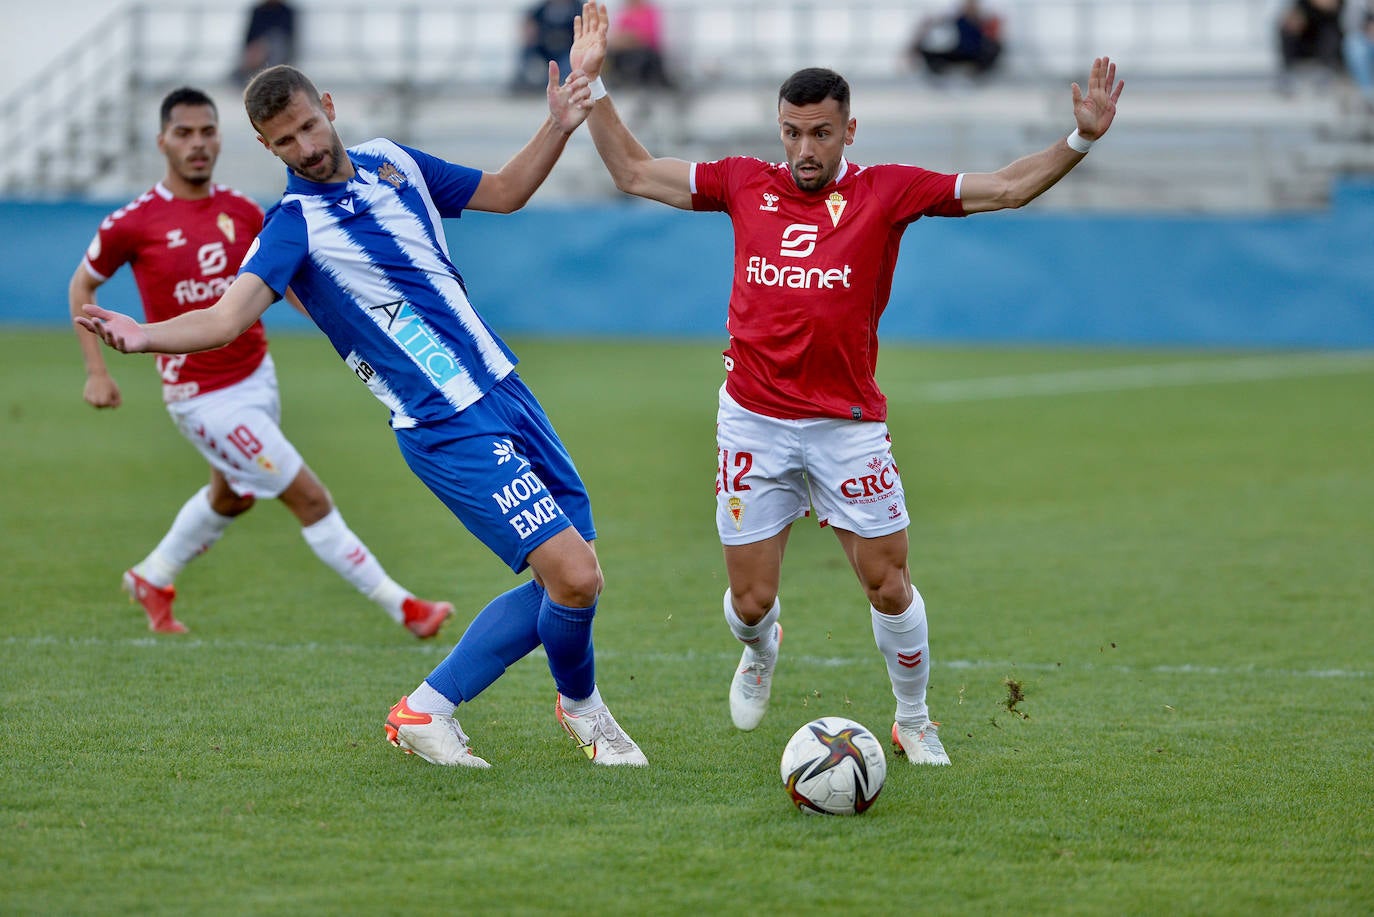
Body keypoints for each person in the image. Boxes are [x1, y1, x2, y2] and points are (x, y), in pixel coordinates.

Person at [570, 2, 1122, 766]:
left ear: (848, 130)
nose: (804, 147)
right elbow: (632, 171)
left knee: (889, 583)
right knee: (750, 601)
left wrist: (1081, 137)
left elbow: (1006, 188)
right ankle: (762, 648)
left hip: (848, 423)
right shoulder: (740, 183)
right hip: (754, 421)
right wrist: (592, 88)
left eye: (820, 132)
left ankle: (914, 716)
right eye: (792, 131)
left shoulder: (886, 193)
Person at [76, 64, 646, 769]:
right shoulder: (292, 226)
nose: (307, 147)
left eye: (311, 126)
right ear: (266, 146)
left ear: (330, 107)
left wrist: (560, 124)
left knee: (574, 575)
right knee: (574, 578)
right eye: (285, 142)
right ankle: (580, 712)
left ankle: (430, 710)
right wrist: (144, 334)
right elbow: (227, 316)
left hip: (502, 387)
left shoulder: (393, 162)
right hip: (443, 421)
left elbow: (503, 191)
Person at [69, 86, 454, 640]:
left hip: (257, 377)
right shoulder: (134, 221)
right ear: (163, 142)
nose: (197, 144)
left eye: (207, 132)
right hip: (202, 399)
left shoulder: (243, 210)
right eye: (184, 133)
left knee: (233, 495)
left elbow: (283, 283)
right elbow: (83, 282)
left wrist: (346, 325)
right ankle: (407, 608)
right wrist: (96, 372)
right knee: (310, 497)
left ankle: (153, 576)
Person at [908, 0, 1003, 79]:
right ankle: (939, 71)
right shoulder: (957, 17)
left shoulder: (983, 20)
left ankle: (978, 71)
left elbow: (995, 38)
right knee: (925, 49)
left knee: (996, 47)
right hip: (959, 51)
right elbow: (929, 22)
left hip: (976, 54)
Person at [512, 0, 581, 94]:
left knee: (568, 67)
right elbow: (529, 32)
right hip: (544, 53)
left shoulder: (579, 9)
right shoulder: (539, 11)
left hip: (569, 53)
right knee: (529, 57)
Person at [605, 0, 674, 92]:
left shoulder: (649, 12)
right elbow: (618, 35)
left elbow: (647, 36)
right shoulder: (626, 13)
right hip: (626, 51)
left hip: (645, 53)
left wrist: (629, 38)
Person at [1278, 0, 1346, 90]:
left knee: (1329, 34)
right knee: (1288, 28)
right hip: (1306, 35)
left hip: (1328, 34)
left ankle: (1327, 72)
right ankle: (1288, 73)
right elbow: (1295, 13)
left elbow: (1331, 6)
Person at [234, 0, 298, 85]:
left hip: (277, 51)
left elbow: (287, 39)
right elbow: (249, 38)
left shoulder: (287, 12)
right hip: (257, 50)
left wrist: (264, 45)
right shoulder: (258, 11)